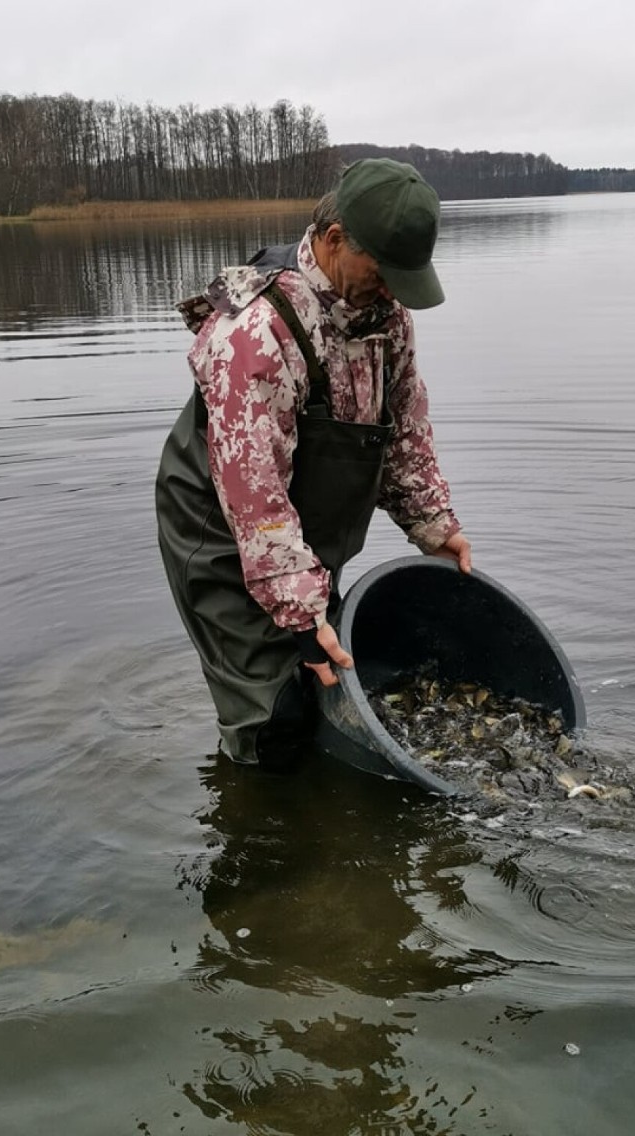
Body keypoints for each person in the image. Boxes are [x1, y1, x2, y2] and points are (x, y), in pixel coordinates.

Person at [155, 158, 472, 770]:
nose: (392, 292)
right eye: (382, 273)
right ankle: (258, 823)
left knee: (324, 682)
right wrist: (302, 613)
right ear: (332, 241)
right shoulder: (257, 334)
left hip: (298, 528)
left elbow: (403, 426)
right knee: (274, 721)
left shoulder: (385, 318)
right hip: (221, 532)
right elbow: (256, 499)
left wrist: (434, 524)